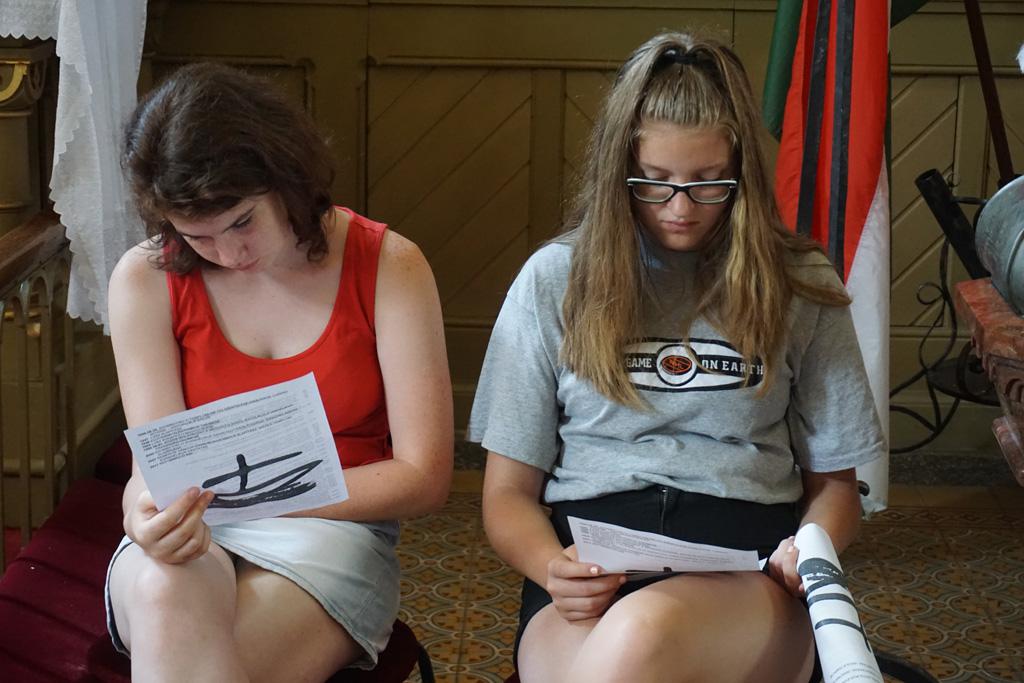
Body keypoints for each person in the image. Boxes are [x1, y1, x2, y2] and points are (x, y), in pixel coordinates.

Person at [468, 32, 884, 683]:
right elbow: (506, 494)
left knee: (640, 636)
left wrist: (806, 548)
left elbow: (835, 487)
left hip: (748, 569)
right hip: (590, 568)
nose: (682, 209)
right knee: (620, 651)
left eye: (708, 183)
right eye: (655, 183)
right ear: (618, 171)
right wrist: (551, 566)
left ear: (742, 173)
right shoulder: (554, 278)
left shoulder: (798, 282)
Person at [104, 63, 453, 682]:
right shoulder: (145, 278)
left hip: (332, 531)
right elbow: (152, 474)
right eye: (199, 237)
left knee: (209, 657)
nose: (230, 254)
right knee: (165, 590)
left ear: (285, 176)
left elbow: (424, 478)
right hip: (199, 527)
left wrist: (261, 499)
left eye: (242, 221)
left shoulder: (389, 265)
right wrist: (143, 518)